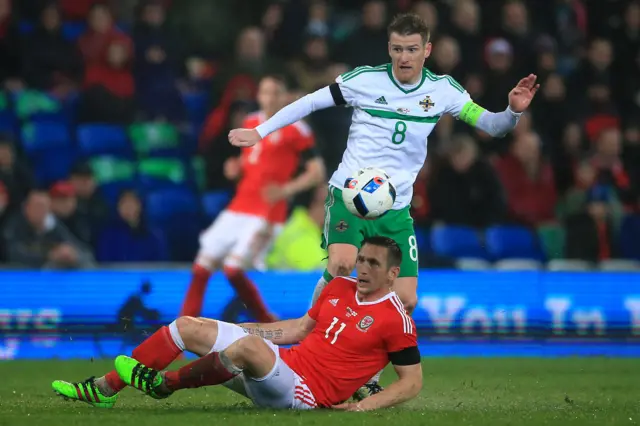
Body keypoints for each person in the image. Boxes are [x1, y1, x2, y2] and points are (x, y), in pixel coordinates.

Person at [228, 12, 538, 395]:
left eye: (411, 49)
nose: (403, 57)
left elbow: (492, 126)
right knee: (342, 263)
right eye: (396, 49)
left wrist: (513, 111)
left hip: (395, 209)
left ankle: (367, 377)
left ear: (427, 50)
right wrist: (259, 131)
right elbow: (310, 103)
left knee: (405, 300)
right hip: (349, 195)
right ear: (388, 49)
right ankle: (312, 332)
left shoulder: (444, 91)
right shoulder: (365, 80)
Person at [52, 236, 421, 411]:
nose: (363, 268)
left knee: (248, 348)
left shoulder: (397, 320)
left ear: (392, 273)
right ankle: (105, 388)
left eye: (374, 263)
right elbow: (297, 330)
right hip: (283, 369)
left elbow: (411, 383)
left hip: (305, 395)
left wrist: (358, 408)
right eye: (361, 260)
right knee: (189, 326)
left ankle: (163, 385)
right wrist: (239, 330)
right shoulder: (338, 288)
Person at [180, 75, 325, 322]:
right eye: (265, 92)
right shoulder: (250, 122)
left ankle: (265, 319)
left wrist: (286, 190)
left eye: (275, 92)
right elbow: (251, 166)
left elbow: (317, 172)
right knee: (200, 267)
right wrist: (235, 169)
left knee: (233, 269)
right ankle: (182, 327)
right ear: (259, 96)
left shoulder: (297, 129)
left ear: (285, 97)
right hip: (238, 207)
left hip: (267, 213)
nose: (269, 98)